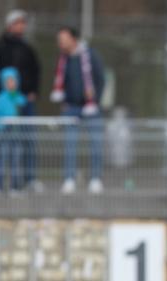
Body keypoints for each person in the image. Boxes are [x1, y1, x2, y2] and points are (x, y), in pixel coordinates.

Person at [0, 10, 41, 192]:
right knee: (2, 147)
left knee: (26, 142)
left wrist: (32, 91)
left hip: (23, 101)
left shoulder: (27, 48)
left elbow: (35, 71)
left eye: (23, 23)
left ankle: (26, 179)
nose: (21, 27)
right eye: (18, 23)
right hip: (5, 106)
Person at [51, 26, 106, 195]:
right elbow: (62, 81)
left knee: (96, 144)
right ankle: (69, 179)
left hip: (91, 106)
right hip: (71, 107)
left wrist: (95, 100)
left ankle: (95, 178)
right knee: (70, 145)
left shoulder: (90, 55)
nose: (61, 42)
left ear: (73, 38)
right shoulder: (63, 59)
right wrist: (65, 101)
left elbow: (100, 79)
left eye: (64, 38)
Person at [0, 67, 26, 194]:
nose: (11, 83)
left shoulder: (21, 98)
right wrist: (0, 126)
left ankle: (15, 187)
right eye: (8, 81)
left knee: (16, 161)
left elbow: (24, 115)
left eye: (13, 81)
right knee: (1, 159)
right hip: (3, 133)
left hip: (17, 133)